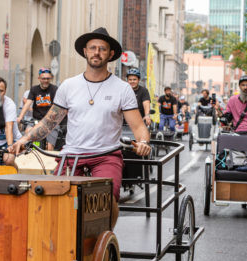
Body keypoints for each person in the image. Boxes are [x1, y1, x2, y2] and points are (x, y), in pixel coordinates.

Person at [11, 27, 151, 230]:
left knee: (107, 199)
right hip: (71, 155)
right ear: (85, 51)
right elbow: (49, 122)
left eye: (102, 49)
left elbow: (138, 126)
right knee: (53, 198)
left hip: (106, 155)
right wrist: (24, 140)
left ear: (110, 54)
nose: (97, 52)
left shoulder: (122, 89)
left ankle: (104, 242)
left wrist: (144, 142)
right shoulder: (69, 86)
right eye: (92, 48)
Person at [17, 68, 60, 150]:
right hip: (36, 120)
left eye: (48, 78)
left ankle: (46, 161)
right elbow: (28, 103)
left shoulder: (54, 89)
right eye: (43, 78)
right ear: (39, 78)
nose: (46, 80)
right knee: (27, 134)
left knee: (49, 147)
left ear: (50, 78)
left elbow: (56, 106)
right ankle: (29, 157)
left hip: (50, 121)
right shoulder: (34, 89)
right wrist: (20, 117)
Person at [0, 76, 22, 166]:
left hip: (10, 140)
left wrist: (10, 146)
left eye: (0, 91)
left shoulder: (9, 104)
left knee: (8, 160)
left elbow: (8, 127)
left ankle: (15, 175)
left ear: (5, 91)